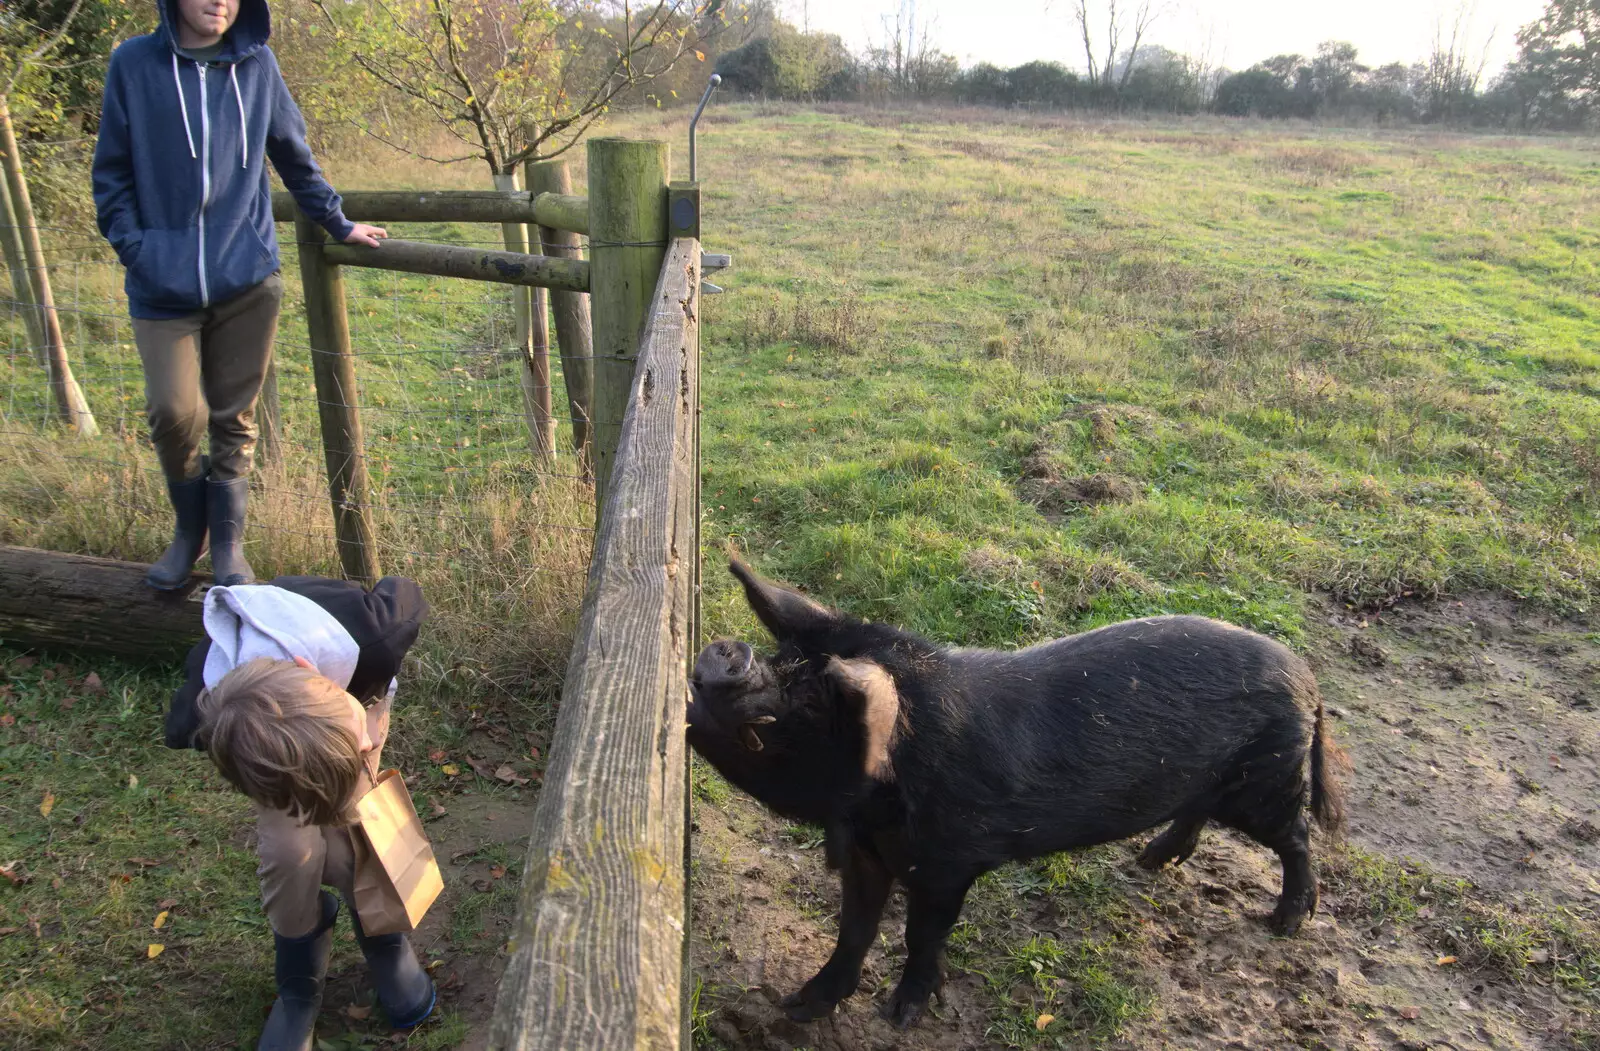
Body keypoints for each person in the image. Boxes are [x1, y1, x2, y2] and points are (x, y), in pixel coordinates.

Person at [91, 0, 387, 591]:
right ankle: (188, 532)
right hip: (161, 284)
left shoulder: (258, 65)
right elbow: (112, 171)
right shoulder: (134, 64)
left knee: (235, 418)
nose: (219, 2)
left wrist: (336, 221)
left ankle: (227, 544)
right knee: (174, 413)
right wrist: (137, 249)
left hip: (245, 276)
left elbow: (292, 153)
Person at [167, 575, 433, 1050]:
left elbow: (406, 590)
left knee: (356, 822)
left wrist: (363, 721)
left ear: (314, 669)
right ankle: (298, 979)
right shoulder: (206, 716)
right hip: (282, 739)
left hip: (357, 702)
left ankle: (383, 936)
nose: (374, 748)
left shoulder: (376, 636)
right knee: (291, 850)